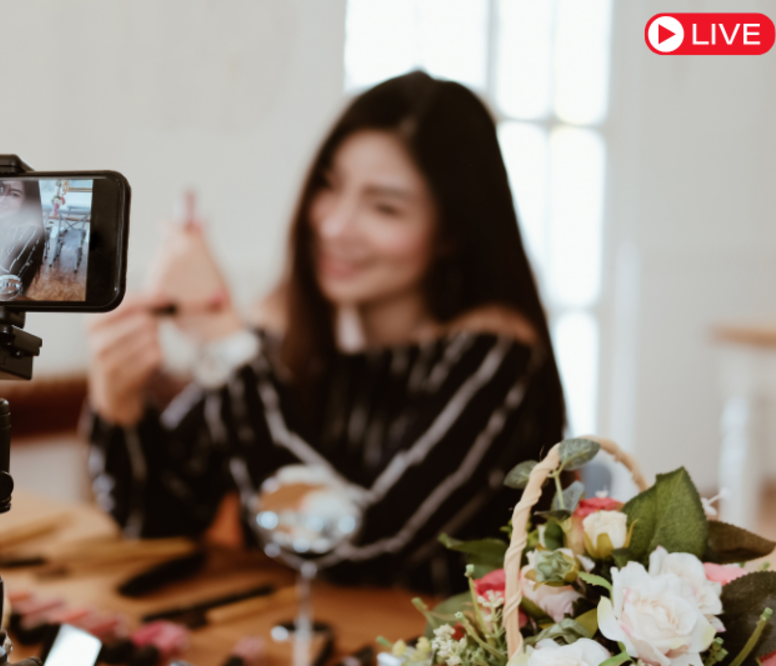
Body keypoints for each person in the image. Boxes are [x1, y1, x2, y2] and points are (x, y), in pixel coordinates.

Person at [85, 71, 566, 595]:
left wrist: (226, 342)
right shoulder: (287, 331)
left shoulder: (496, 359)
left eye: (384, 207)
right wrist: (119, 401)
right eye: (329, 186)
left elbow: (361, 548)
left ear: (451, 232)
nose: (335, 225)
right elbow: (158, 518)